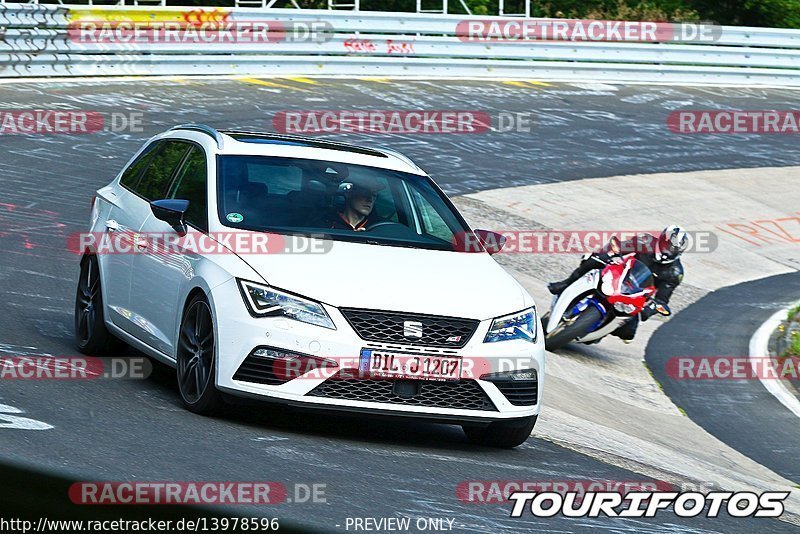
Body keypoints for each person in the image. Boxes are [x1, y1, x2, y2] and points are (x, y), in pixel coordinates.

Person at [546, 225, 688, 342]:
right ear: (662, 240)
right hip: (621, 274)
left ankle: (601, 331)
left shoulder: (675, 273)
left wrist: (650, 310)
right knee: (593, 260)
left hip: (638, 293)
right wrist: (608, 254)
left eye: (674, 249)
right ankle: (566, 284)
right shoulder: (645, 241)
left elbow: (662, 299)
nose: (669, 251)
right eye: (668, 246)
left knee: (628, 332)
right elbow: (620, 247)